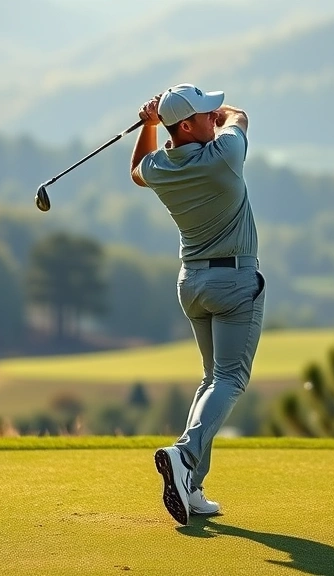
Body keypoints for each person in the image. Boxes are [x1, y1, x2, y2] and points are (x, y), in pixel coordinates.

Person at [130, 83, 266, 526]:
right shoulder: (224, 155)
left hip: (192, 283)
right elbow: (239, 114)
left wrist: (153, 125)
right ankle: (185, 454)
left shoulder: (160, 167)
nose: (214, 116)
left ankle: (192, 484)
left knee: (212, 378)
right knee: (231, 378)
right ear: (188, 125)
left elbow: (136, 170)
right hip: (233, 281)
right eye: (204, 113)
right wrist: (173, 118)